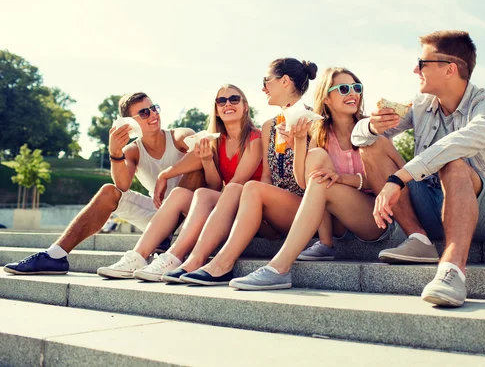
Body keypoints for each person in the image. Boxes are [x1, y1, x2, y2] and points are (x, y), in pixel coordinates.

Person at [352, 30, 485, 307]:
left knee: (454, 164)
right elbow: (359, 138)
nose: (415, 69)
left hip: (481, 214)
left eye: (422, 63)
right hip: (428, 206)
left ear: (450, 69)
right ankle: (418, 239)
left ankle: (451, 271)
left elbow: (455, 145)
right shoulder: (421, 104)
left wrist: (398, 178)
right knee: (373, 146)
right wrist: (371, 126)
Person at [230, 67, 402, 290]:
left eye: (356, 88)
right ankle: (324, 243)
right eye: (343, 89)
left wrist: (343, 178)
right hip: (338, 221)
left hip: (375, 218)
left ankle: (278, 268)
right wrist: (299, 140)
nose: (352, 93)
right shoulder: (321, 132)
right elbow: (304, 182)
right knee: (317, 159)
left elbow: (398, 176)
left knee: (323, 179)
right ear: (327, 98)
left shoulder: (371, 129)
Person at [4, 92, 201, 275]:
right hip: (159, 217)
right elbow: (122, 185)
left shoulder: (179, 136)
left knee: (196, 168)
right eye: (144, 112)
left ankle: (163, 240)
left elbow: (201, 153)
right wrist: (115, 153)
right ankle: (55, 255)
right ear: (129, 123)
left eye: (154, 108)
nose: (153, 114)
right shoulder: (133, 151)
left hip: (192, 213)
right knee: (109, 191)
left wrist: (165, 175)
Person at [170, 57, 320, 285]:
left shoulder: (314, 119)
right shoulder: (269, 126)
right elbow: (267, 176)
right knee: (233, 189)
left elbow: (316, 174)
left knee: (247, 187)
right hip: (274, 213)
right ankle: (195, 260)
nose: (263, 88)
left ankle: (222, 264)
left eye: (266, 81)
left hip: (306, 210)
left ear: (285, 81)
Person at [96, 85, 263, 280]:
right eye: (221, 101)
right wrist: (206, 161)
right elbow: (216, 185)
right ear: (216, 109)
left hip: (250, 209)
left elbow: (236, 185)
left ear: (245, 106)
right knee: (179, 194)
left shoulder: (255, 138)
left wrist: (165, 174)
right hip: (229, 202)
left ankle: (175, 256)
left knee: (212, 192)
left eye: (234, 99)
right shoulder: (217, 140)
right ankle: (138, 256)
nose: (227, 104)